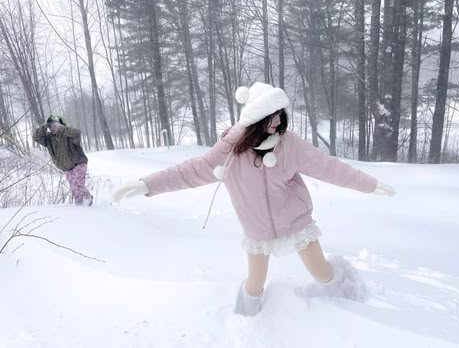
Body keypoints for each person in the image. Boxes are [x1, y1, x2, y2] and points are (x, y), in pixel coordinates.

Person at [111, 82, 395, 316]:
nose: (276, 123)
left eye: (280, 116)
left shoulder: (289, 144)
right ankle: (245, 326)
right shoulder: (230, 151)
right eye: (270, 117)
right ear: (254, 120)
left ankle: (347, 300)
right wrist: (146, 185)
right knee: (254, 286)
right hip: (257, 230)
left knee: (321, 273)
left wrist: (370, 184)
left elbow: (329, 167)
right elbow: (189, 171)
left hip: (296, 222)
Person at [34, 115, 93, 206]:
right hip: (67, 167)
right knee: (74, 189)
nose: (52, 128)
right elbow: (36, 137)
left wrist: (63, 129)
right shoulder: (49, 138)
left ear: (60, 125)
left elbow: (77, 133)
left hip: (79, 163)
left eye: (54, 125)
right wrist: (44, 126)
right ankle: (80, 207)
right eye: (50, 126)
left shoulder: (68, 135)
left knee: (78, 183)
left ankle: (88, 200)